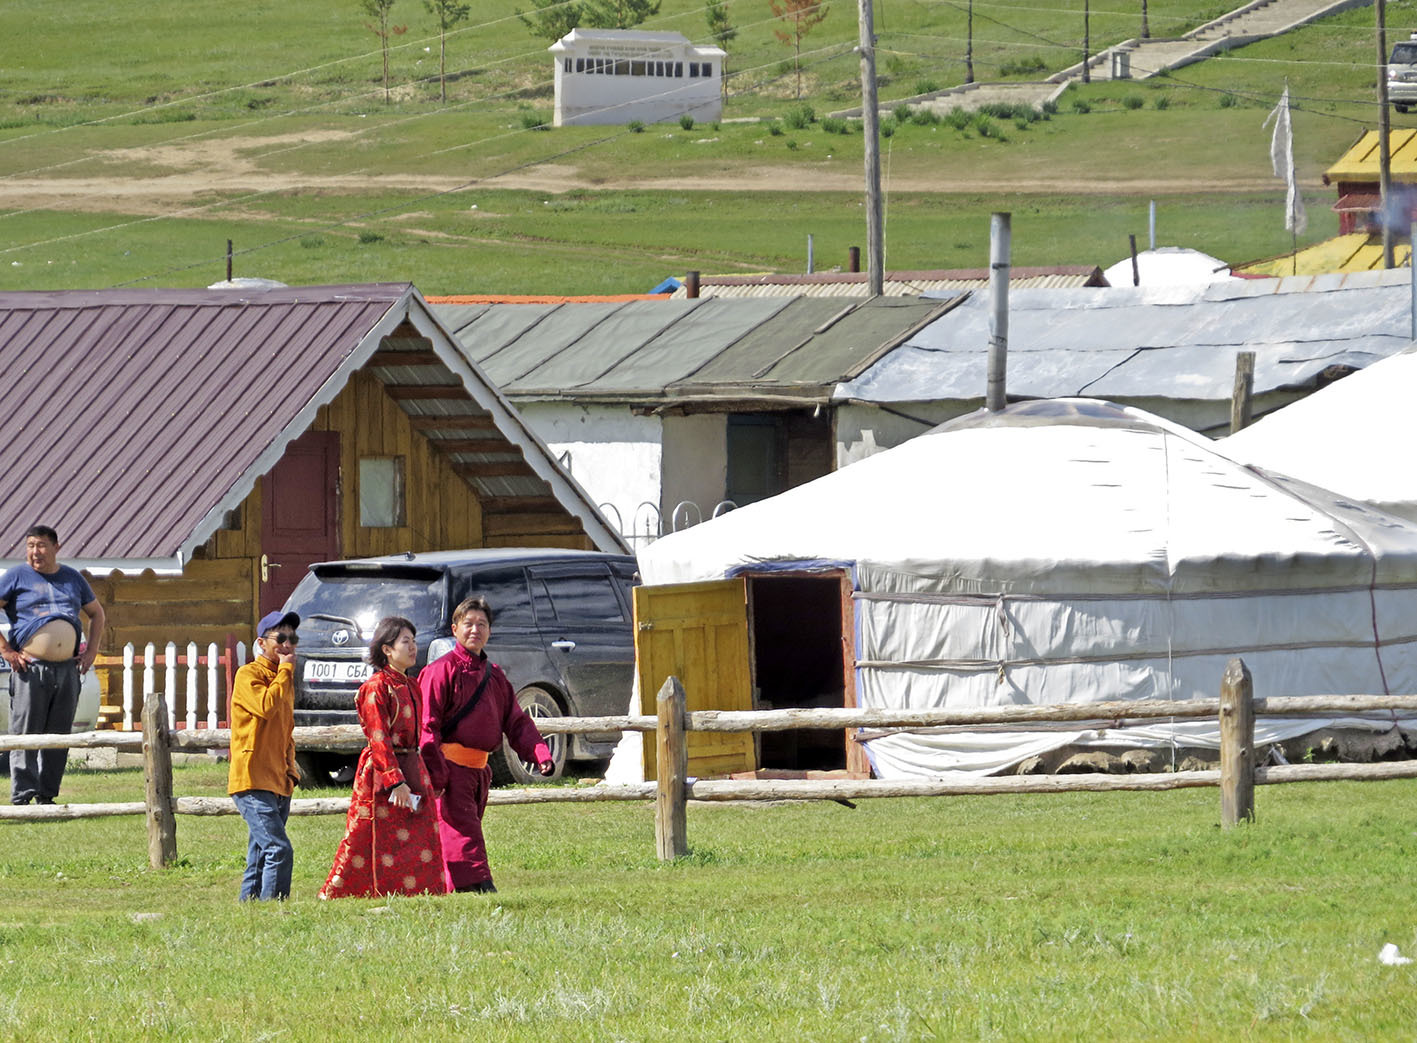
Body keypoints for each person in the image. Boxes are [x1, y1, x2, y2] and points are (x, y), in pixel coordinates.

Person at [419, 596, 553, 893]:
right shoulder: (440, 671)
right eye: (468, 624)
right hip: (450, 772)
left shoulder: (495, 676)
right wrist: (437, 775)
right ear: (455, 629)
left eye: (481, 624)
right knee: (463, 833)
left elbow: (517, 722)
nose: (475, 630)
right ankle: (479, 888)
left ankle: (452, 889)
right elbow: (426, 727)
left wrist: (539, 754)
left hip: (479, 772)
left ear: (489, 631)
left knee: (460, 831)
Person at [320, 617, 448, 899]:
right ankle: (350, 892)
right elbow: (378, 739)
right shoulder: (376, 688)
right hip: (382, 774)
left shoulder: (412, 685)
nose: (413, 647)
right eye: (406, 641)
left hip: (414, 766)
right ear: (387, 649)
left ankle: (421, 892)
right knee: (370, 836)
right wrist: (394, 781)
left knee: (419, 832)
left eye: (414, 641)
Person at [0, 525, 106, 806]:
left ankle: (47, 795)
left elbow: (97, 614)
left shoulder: (72, 578)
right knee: (25, 733)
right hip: (29, 669)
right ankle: (22, 797)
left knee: (58, 735)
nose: (36, 551)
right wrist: (6, 650)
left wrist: (91, 651)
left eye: (42, 545)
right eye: (31, 545)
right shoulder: (16, 577)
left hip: (67, 670)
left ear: (56, 548)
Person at [228, 609, 302, 901]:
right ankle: (273, 911)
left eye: (292, 638)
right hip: (251, 778)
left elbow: (285, 729)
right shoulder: (248, 675)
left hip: (278, 778)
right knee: (278, 849)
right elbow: (266, 707)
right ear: (262, 642)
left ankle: (251, 910)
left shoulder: (283, 678)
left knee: (259, 852)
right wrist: (285, 670)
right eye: (280, 637)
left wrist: (290, 771)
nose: (287, 644)